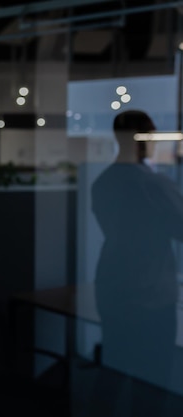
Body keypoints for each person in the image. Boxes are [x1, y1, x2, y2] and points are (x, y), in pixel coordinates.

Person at [90, 109, 183, 415]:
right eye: (151, 135)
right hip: (150, 291)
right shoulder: (152, 185)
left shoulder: (102, 182)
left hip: (114, 284)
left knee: (115, 368)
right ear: (140, 138)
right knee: (152, 380)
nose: (155, 142)